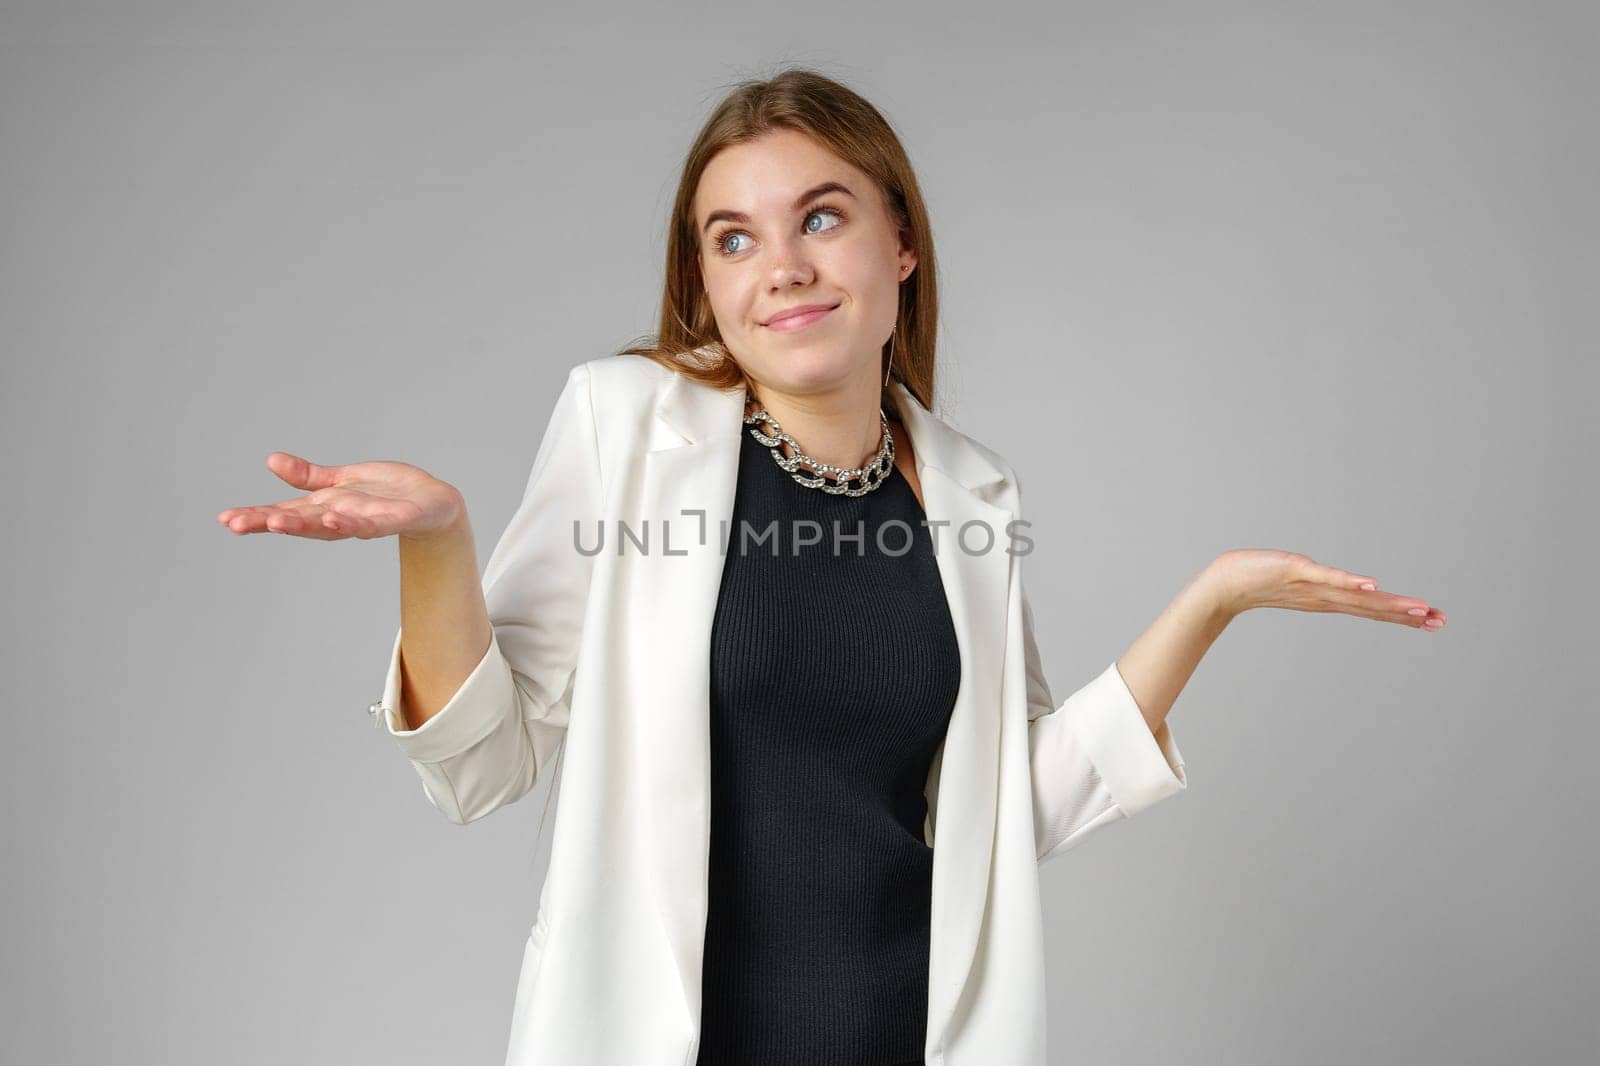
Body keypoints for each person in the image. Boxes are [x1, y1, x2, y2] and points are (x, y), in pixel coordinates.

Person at [217, 67, 1446, 1066]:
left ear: (898, 244)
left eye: (819, 216)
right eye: (733, 238)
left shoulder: (971, 491)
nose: (782, 266)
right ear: (705, 281)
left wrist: (1212, 598)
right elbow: (481, 769)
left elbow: (1004, 809)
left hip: (903, 1037)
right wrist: (437, 547)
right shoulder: (622, 427)